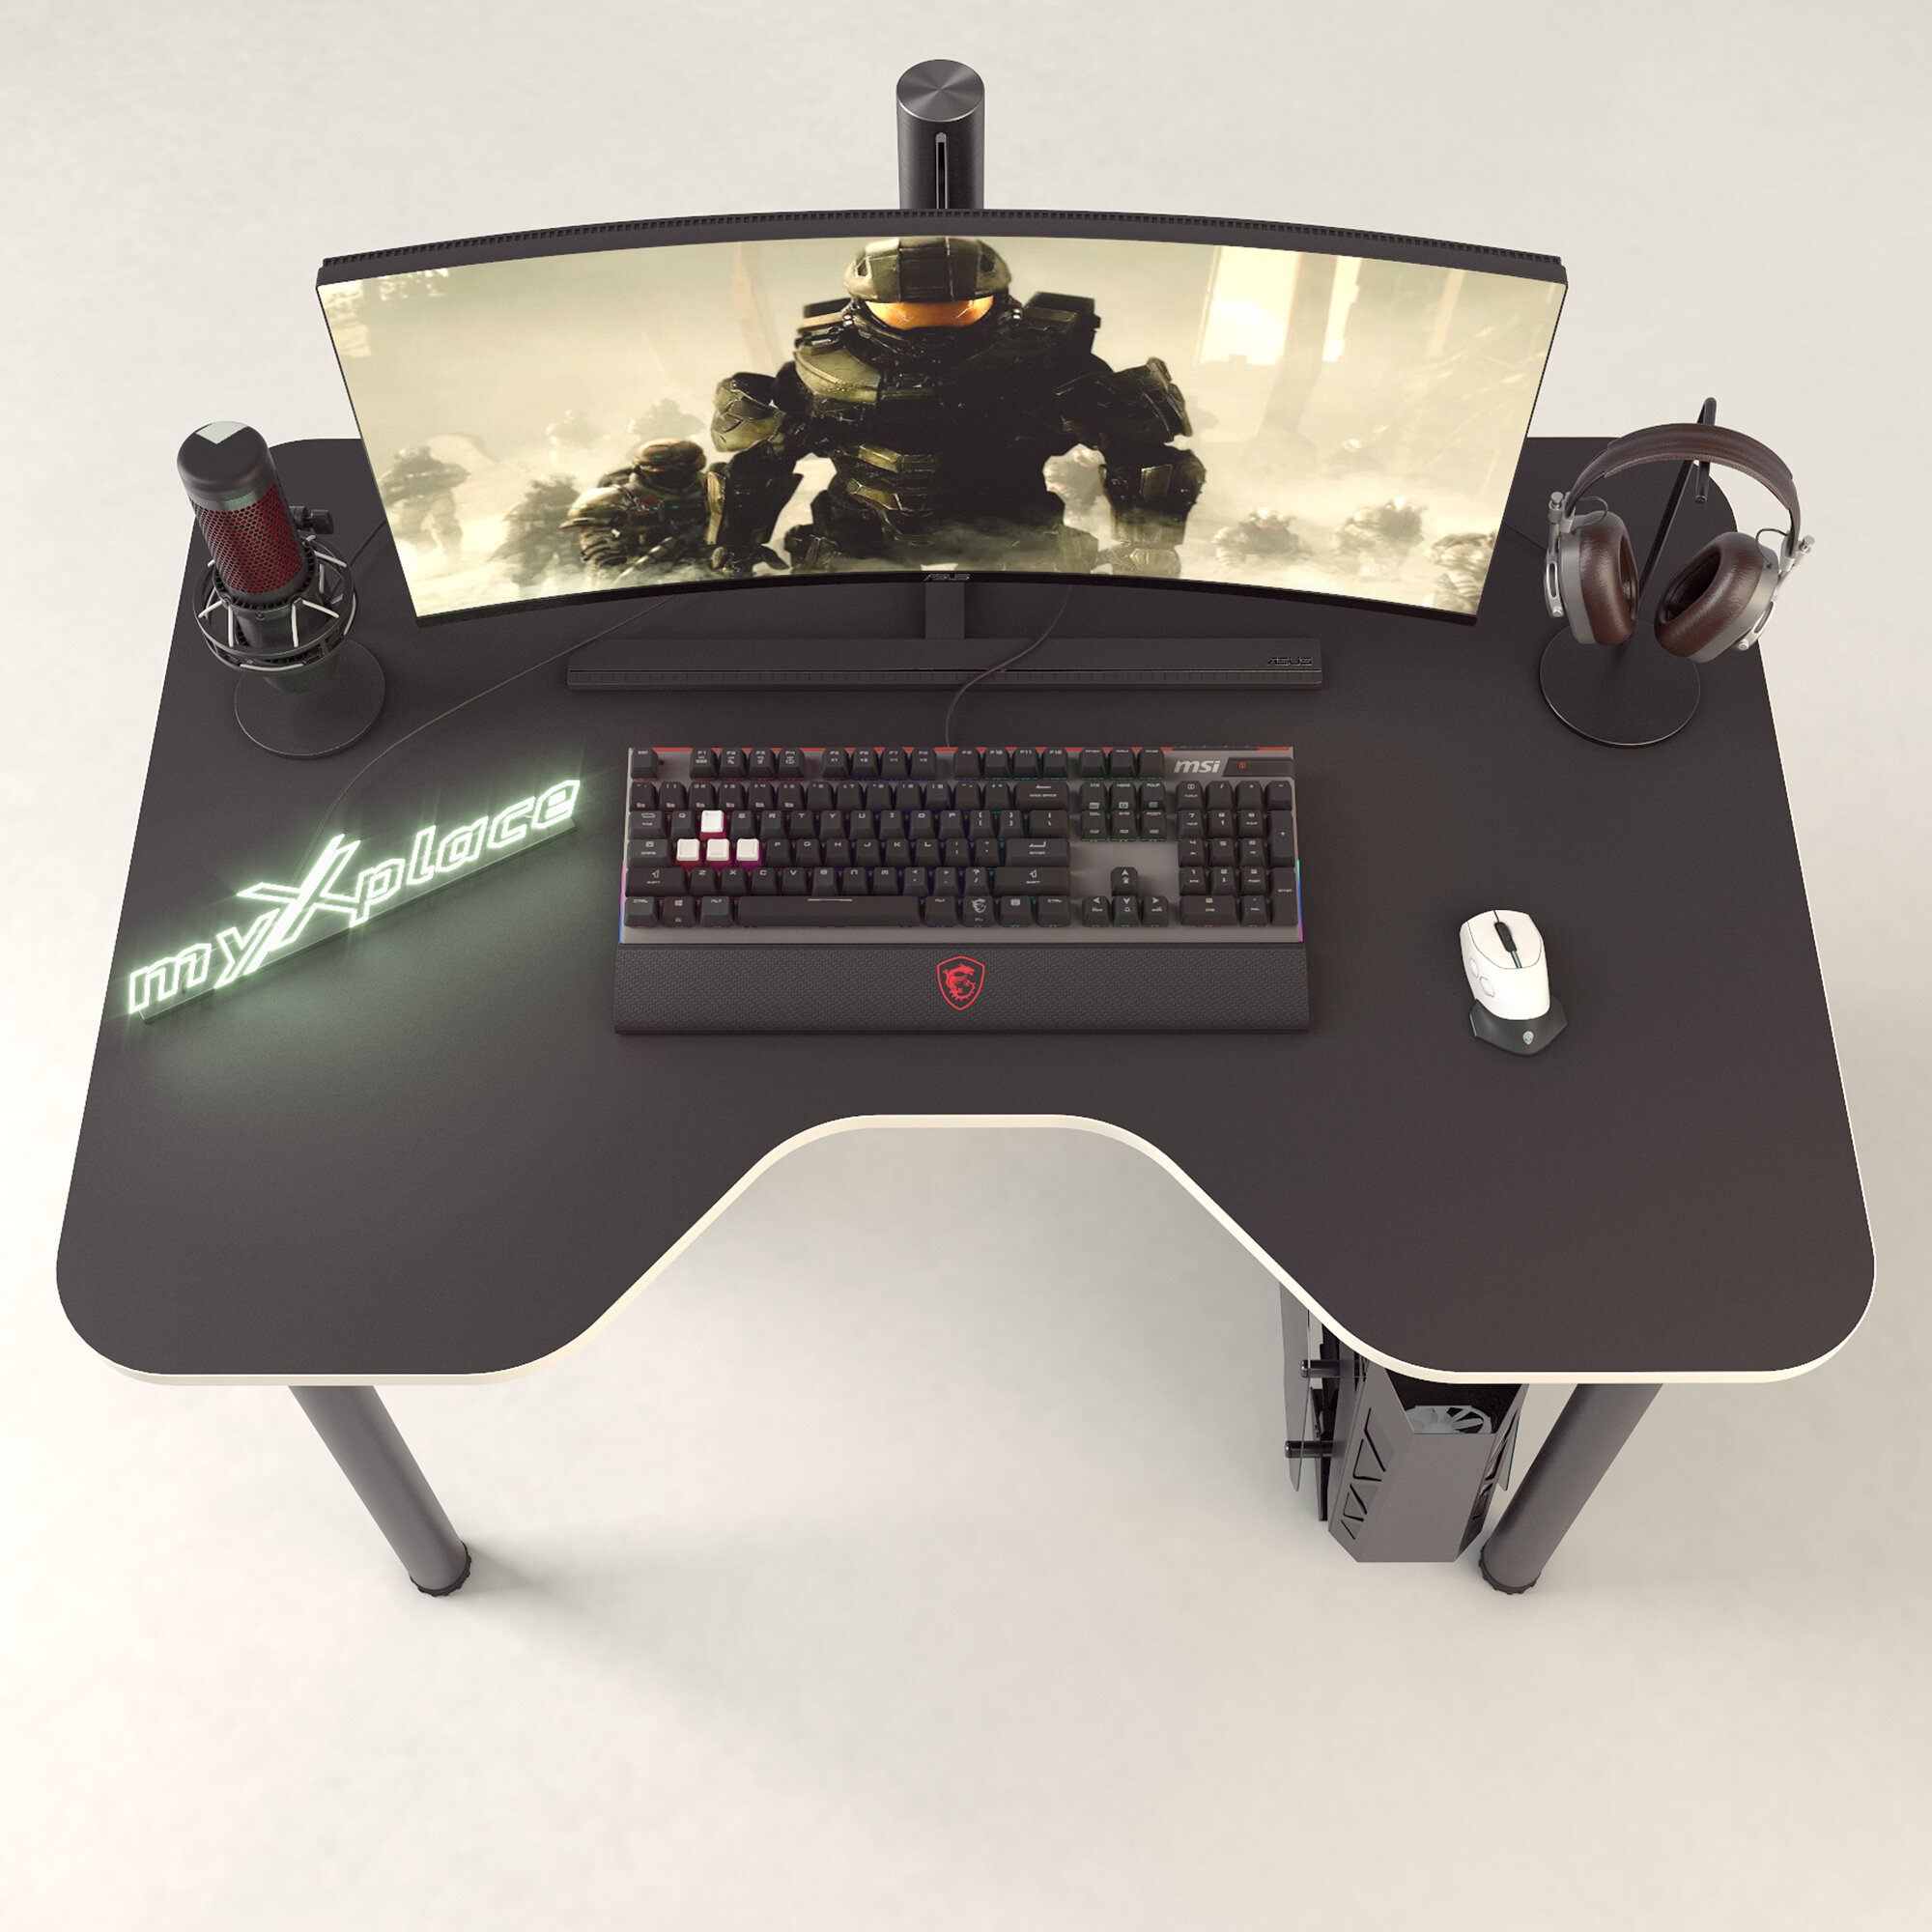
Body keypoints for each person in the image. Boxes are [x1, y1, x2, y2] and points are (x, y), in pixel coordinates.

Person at [705, 236, 1205, 575]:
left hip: (1012, 531)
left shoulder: (1049, 359)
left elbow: (1142, 454)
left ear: (998, 301)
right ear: (862, 308)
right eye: (904, 313)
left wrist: (1150, 543)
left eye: (958, 310)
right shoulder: (818, 366)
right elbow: (762, 460)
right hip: (859, 533)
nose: (930, 324)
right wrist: (736, 545)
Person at [561, 439, 714, 583]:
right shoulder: (615, 497)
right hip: (639, 569)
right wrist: (611, 570)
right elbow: (598, 546)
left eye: (674, 470)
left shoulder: (713, 489)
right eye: (655, 469)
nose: (665, 475)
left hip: (708, 562)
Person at [380, 446, 468, 564]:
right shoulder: (397, 474)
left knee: (444, 519)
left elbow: (459, 474)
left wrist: (439, 481)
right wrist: (393, 497)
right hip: (416, 499)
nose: (412, 459)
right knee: (406, 527)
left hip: (438, 495)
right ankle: (425, 546)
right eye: (409, 457)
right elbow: (384, 488)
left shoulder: (436, 466)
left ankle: (452, 552)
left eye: (415, 456)